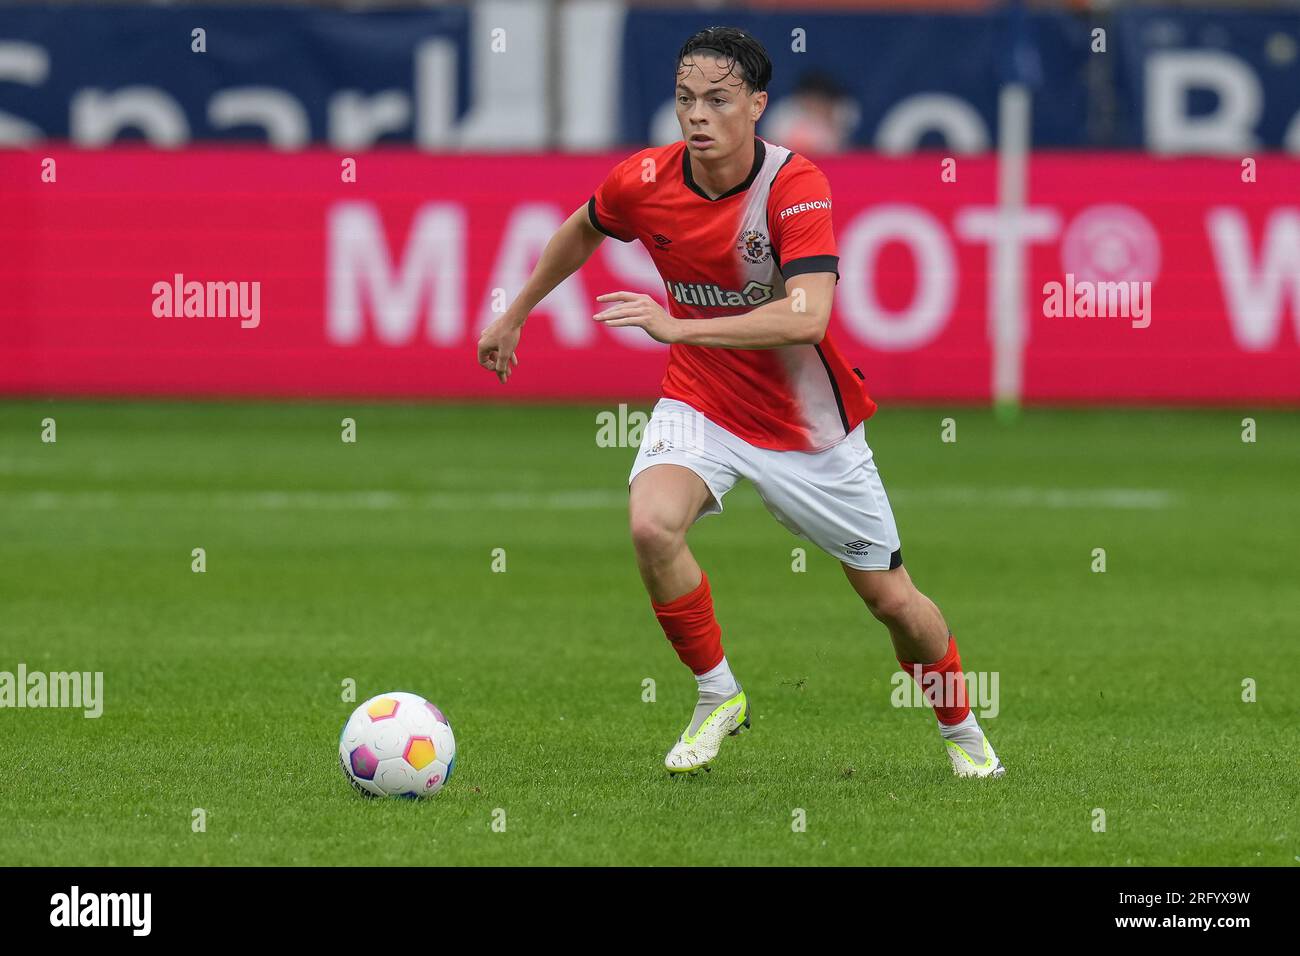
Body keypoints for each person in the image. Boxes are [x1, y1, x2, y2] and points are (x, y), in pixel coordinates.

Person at [476, 26, 1004, 779]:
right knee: (652, 528)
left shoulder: (794, 187)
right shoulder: (645, 179)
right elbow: (585, 227)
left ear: (756, 106)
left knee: (893, 603)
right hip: (701, 402)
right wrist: (515, 310)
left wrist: (678, 323)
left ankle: (962, 734)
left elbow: (807, 316)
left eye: (718, 100)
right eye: (686, 98)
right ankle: (717, 693)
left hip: (809, 429)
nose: (697, 115)